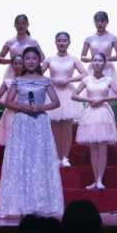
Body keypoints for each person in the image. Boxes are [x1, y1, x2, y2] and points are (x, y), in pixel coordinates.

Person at [0, 46, 64, 218]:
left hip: (40, 122)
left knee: (40, 159)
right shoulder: (17, 80)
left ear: (39, 60)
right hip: (22, 122)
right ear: (23, 62)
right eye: (28, 59)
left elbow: (56, 102)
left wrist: (41, 107)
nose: (31, 61)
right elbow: (8, 101)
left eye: (34, 58)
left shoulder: (45, 80)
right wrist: (22, 106)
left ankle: (41, 203)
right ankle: (19, 204)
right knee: (21, 159)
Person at [73, 53, 117, 190]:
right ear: (92, 63)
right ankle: (95, 180)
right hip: (90, 114)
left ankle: (100, 180)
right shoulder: (86, 80)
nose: (97, 63)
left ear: (104, 63)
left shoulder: (108, 80)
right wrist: (88, 99)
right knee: (93, 149)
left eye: (100, 60)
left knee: (102, 148)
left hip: (104, 113)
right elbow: (74, 95)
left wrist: (103, 99)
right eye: (95, 60)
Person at [42, 32, 86, 167]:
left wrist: (69, 80)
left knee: (67, 128)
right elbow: (38, 73)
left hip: (68, 94)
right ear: (55, 42)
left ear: (69, 42)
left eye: (64, 40)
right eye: (59, 40)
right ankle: (56, 156)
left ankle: (65, 157)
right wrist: (52, 79)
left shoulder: (73, 59)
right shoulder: (50, 59)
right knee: (55, 128)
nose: (62, 43)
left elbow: (84, 74)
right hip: (53, 93)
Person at [81, 11, 117, 91]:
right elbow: (82, 57)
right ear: (94, 22)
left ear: (107, 22)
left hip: (107, 69)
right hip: (93, 69)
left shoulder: (113, 38)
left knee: (108, 92)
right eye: (97, 21)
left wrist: (105, 59)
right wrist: (93, 60)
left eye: (102, 21)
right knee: (92, 92)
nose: (99, 24)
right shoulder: (89, 39)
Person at [0, 14, 45, 79]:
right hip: (12, 73)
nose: (21, 26)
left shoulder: (33, 42)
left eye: (23, 23)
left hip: (28, 73)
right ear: (15, 25)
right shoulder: (10, 41)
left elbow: (42, 58)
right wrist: (13, 61)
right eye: (18, 23)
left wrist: (30, 63)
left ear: (27, 25)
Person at [0, 55, 24, 149]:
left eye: (20, 63)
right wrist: (9, 105)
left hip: (24, 113)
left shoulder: (29, 81)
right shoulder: (7, 81)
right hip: (10, 113)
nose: (18, 66)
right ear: (12, 65)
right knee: (10, 141)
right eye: (15, 63)